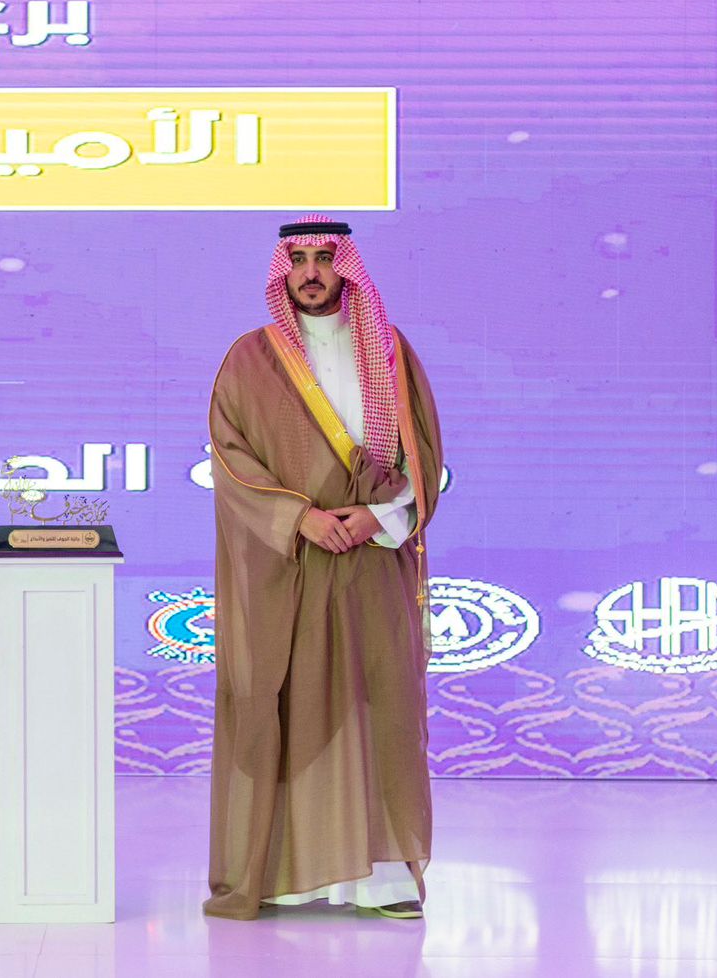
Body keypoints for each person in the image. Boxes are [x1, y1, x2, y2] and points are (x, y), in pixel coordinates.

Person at [204, 214, 443, 921]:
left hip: (373, 560)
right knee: (292, 709)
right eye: (299, 259)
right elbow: (230, 459)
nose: (311, 272)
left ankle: (386, 879)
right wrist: (300, 519)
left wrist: (379, 517)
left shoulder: (392, 352)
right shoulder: (249, 358)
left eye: (324, 258)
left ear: (347, 268)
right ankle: (289, 875)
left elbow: (424, 456)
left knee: (382, 709)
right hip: (293, 568)